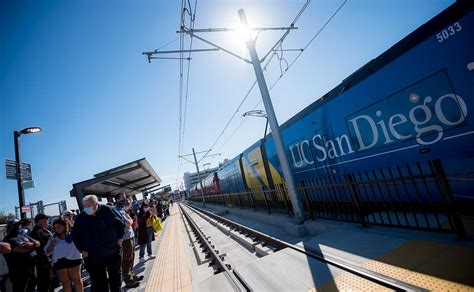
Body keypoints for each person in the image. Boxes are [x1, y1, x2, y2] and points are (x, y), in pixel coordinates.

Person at [71, 195, 125, 292]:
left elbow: (121, 223)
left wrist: (120, 237)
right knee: (99, 283)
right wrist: (82, 249)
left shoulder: (109, 210)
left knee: (115, 279)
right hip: (93, 256)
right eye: (85, 206)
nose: (87, 208)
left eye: (89, 205)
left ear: (96, 204)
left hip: (112, 251)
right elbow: (75, 235)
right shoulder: (81, 218)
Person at [44, 218, 83, 292]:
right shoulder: (53, 237)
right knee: (65, 283)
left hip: (74, 259)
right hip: (59, 262)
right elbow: (47, 251)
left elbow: (81, 240)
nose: (57, 229)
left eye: (59, 227)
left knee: (77, 280)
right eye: (55, 228)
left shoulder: (72, 234)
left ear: (65, 226)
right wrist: (52, 245)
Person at [114, 194, 143, 288]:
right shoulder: (116, 210)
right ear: (117, 199)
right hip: (125, 238)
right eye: (123, 197)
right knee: (127, 259)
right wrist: (129, 222)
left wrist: (129, 222)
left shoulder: (122, 209)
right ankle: (128, 280)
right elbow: (127, 222)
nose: (125, 199)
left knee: (131, 257)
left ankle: (132, 275)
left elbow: (130, 221)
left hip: (130, 236)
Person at [3, 219, 40, 292]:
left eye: (19, 225)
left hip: (30, 269)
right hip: (19, 272)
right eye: (16, 225)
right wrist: (33, 244)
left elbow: (38, 243)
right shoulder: (9, 239)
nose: (18, 227)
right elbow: (24, 248)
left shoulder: (22, 236)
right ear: (9, 227)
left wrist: (32, 244)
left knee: (31, 288)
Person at [29, 214, 53, 292]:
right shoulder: (37, 232)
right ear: (40, 221)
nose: (47, 222)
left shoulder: (42, 230)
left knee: (48, 284)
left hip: (46, 261)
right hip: (43, 263)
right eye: (46, 220)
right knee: (45, 285)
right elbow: (43, 249)